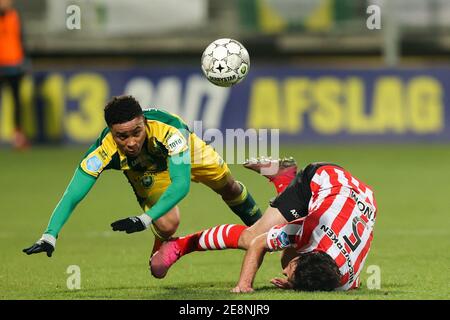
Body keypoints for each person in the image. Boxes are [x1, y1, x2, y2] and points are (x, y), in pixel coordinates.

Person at [22, 95, 262, 262]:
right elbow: (73, 193)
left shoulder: (171, 131)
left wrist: (144, 219)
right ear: (111, 133)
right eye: (122, 136)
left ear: (144, 122)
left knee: (229, 187)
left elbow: (181, 184)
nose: (131, 142)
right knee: (168, 224)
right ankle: (162, 241)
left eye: (136, 132)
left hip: (188, 154)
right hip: (146, 171)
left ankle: (263, 227)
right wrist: (50, 234)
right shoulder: (103, 150)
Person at [150, 157, 377, 292]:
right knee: (252, 236)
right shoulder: (309, 234)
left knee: (284, 256)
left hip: (360, 196)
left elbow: (306, 269)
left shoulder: (344, 279)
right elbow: (259, 244)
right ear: (305, 251)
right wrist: (244, 285)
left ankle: (283, 180)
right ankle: (181, 245)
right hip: (320, 180)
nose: (284, 272)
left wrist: (297, 282)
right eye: (290, 272)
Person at [0, 0, 29, 149]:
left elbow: (21, 39)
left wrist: (24, 61)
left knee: (16, 102)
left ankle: (17, 136)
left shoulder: (15, 16)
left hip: (14, 65)